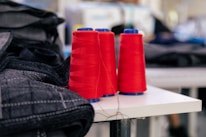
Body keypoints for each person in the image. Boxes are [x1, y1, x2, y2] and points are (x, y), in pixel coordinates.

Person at [111, 0, 189, 137]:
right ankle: (177, 129)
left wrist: (149, 38)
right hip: (125, 68)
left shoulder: (148, 16)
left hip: (149, 62)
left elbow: (167, 34)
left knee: (165, 92)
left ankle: (176, 129)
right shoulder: (111, 13)